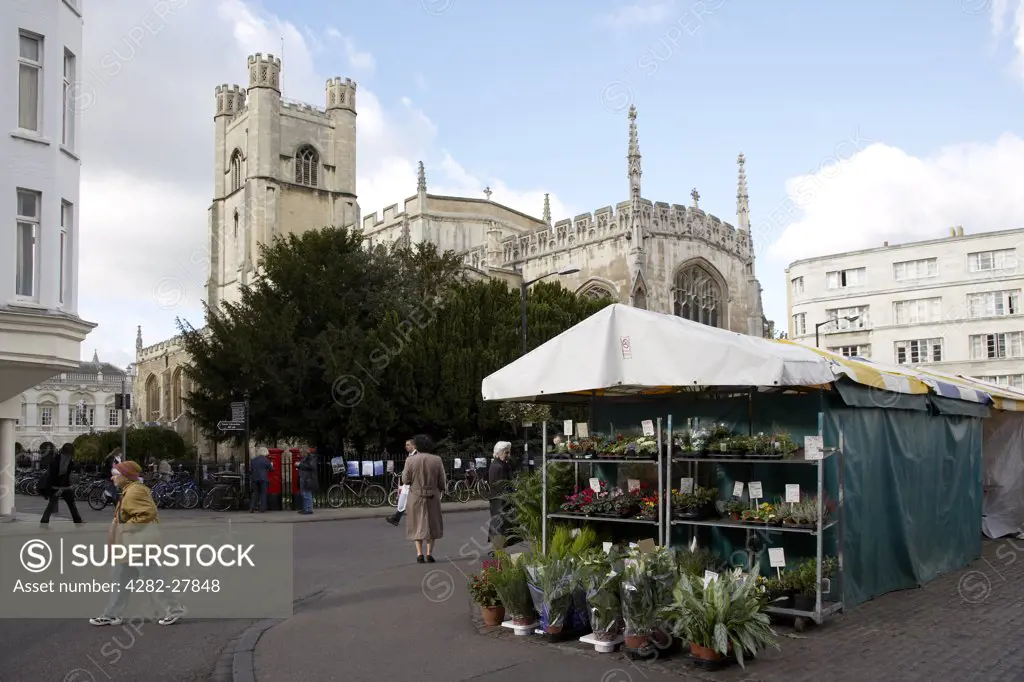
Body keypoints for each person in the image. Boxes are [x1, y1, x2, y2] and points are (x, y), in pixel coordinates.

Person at [89, 461, 185, 627]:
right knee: (121, 579)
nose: (112, 477)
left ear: (125, 476)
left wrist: (125, 527)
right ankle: (112, 614)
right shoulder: (130, 490)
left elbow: (148, 513)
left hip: (138, 544)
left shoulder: (135, 491)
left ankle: (174, 609)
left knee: (154, 578)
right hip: (130, 545)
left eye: (116, 474)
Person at [401, 434, 445, 563]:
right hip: (432, 495)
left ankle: (419, 553)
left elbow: (405, 479)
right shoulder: (437, 460)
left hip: (415, 496)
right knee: (431, 524)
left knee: (416, 524)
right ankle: (429, 553)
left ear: (417, 446)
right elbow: (442, 481)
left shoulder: (410, 460)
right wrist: (441, 489)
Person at [39, 443, 84, 525]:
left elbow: (63, 474)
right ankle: (77, 520)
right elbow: (56, 475)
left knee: (58, 504)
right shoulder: (59, 461)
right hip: (59, 486)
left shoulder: (64, 460)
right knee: (67, 504)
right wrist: (59, 488)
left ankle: (44, 521)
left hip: (61, 486)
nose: (70, 456)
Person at [487, 441, 516, 552]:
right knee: (499, 525)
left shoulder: (501, 464)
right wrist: (512, 492)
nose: (508, 455)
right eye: (506, 452)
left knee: (500, 524)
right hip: (499, 500)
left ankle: (498, 549)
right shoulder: (498, 466)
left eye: (508, 452)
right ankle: (497, 549)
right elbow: (501, 484)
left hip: (499, 499)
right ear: (499, 453)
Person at [386, 439, 417, 527]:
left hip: (413, 484)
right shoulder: (409, 455)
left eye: (408, 445)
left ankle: (396, 519)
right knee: (401, 501)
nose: (406, 446)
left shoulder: (417, 456)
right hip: (406, 484)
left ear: (413, 446)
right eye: (406, 445)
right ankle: (396, 519)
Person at [249, 448, 273, 513]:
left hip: (254, 478)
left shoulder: (253, 460)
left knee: (255, 493)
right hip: (263, 479)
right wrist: (271, 465)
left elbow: (251, 470)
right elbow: (271, 469)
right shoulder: (266, 460)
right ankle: (262, 509)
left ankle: (251, 508)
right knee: (263, 493)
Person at [297, 448, 317, 515]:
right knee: (303, 494)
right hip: (303, 478)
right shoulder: (304, 459)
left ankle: (309, 509)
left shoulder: (310, 458)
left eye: (301, 452)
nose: (300, 454)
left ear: (305, 452)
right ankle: (305, 509)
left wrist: (299, 465)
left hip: (308, 479)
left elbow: (310, 467)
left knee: (307, 494)